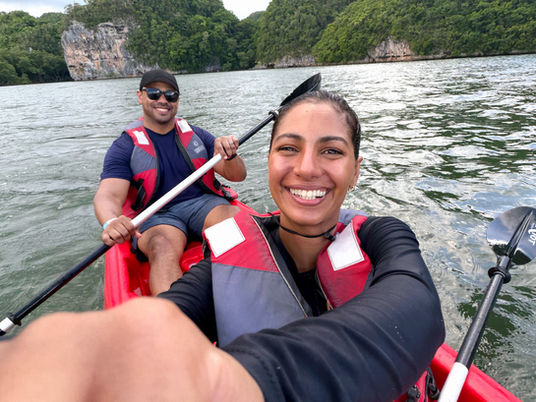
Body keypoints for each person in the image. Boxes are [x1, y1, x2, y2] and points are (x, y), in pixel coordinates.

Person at [0, 90, 444, 401]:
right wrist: (103, 353)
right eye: (289, 148)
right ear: (272, 160)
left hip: (203, 205)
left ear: (356, 169)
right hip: (161, 216)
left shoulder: (385, 236)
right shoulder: (219, 266)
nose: (307, 168)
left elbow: (418, 311)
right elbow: (160, 321)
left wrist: (243, 380)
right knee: (165, 249)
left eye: (331, 151)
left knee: (231, 223)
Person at [94, 69, 247, 295]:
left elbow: (237, 175)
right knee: (162, 247)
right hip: (156, 216)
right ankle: (178, 315)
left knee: (236, 224)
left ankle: (246, 292)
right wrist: (111, 222)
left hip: (201, 205)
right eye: (154, 94)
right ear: (140, 96)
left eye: (170, 95)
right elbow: (108, 195)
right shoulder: (125, 146)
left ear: (177, 100)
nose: (163, 100)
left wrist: (230, 154)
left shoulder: (197, 135)